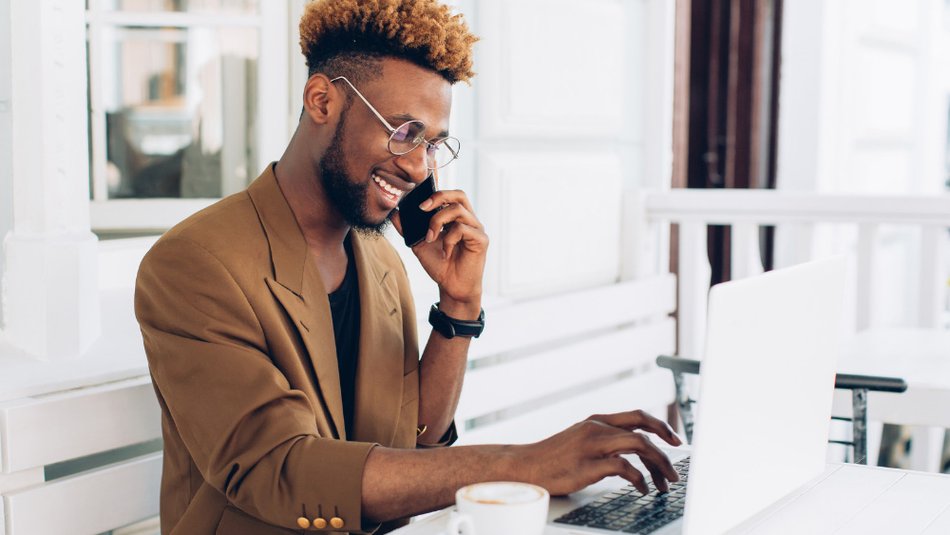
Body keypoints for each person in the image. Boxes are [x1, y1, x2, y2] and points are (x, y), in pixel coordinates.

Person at [134, 1, 682, 533]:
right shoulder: (194, 264)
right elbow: (280, 470)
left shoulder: (378, 259)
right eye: (404, 132)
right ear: (322, 101)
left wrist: (459, 308)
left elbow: (415, 444)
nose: (419, 166)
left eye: (434, 144)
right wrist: (523, 464)